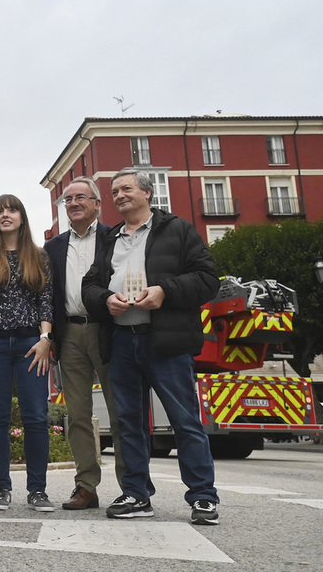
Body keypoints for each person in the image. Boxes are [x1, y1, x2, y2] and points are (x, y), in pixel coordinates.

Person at [82, 168, 220, 525]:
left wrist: (165, 291)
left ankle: (203, 497)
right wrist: (105, 300)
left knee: (184, 420)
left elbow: (208, 280)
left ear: (147, 192)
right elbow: (90, 286)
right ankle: (137, 494)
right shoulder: (110, 238)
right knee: (129, 423)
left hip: (167, 343)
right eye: (114, 191)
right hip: (122, 341)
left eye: (126, 189)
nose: (119, 196)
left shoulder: (177, 229)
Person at [0, 194, 56, 513]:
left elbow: (45, 301)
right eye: (0, 211)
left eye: (12, 210)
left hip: (31, 345)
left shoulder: (39, 257)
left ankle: (37, 490)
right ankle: (1, 488)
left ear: (22, 217)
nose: (6, 215)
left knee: (36, 417)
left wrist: (46, 338)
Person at [43, 178, 123, 510]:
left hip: (108, 330)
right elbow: (46, 295)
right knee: (77, 414)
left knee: (121, 412)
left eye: (80, 197)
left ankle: (131, 487)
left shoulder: (115, 238)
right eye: (68, 199)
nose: (74, 203)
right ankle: (86, 486)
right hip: (70, 333)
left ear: (96, 203)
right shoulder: (53, 247)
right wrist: (48, 338)